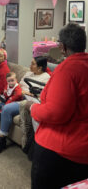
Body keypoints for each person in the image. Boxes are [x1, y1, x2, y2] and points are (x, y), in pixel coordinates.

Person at [30, 23, 88, 189]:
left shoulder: (66, 69)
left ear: (62, 47)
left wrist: (33, 108)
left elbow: (56, 113)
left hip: (60, 150)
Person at [0, 56, 50, 156]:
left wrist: (23, 93)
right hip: (16, 94)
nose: (30, 65)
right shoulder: (28, 73)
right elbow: (18, 85)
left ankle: (1, 140)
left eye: (33, 64)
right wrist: (8, 92)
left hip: (26, 101)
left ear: (40, 68)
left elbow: (41, 96)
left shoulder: (46, 78)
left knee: (6, 109)